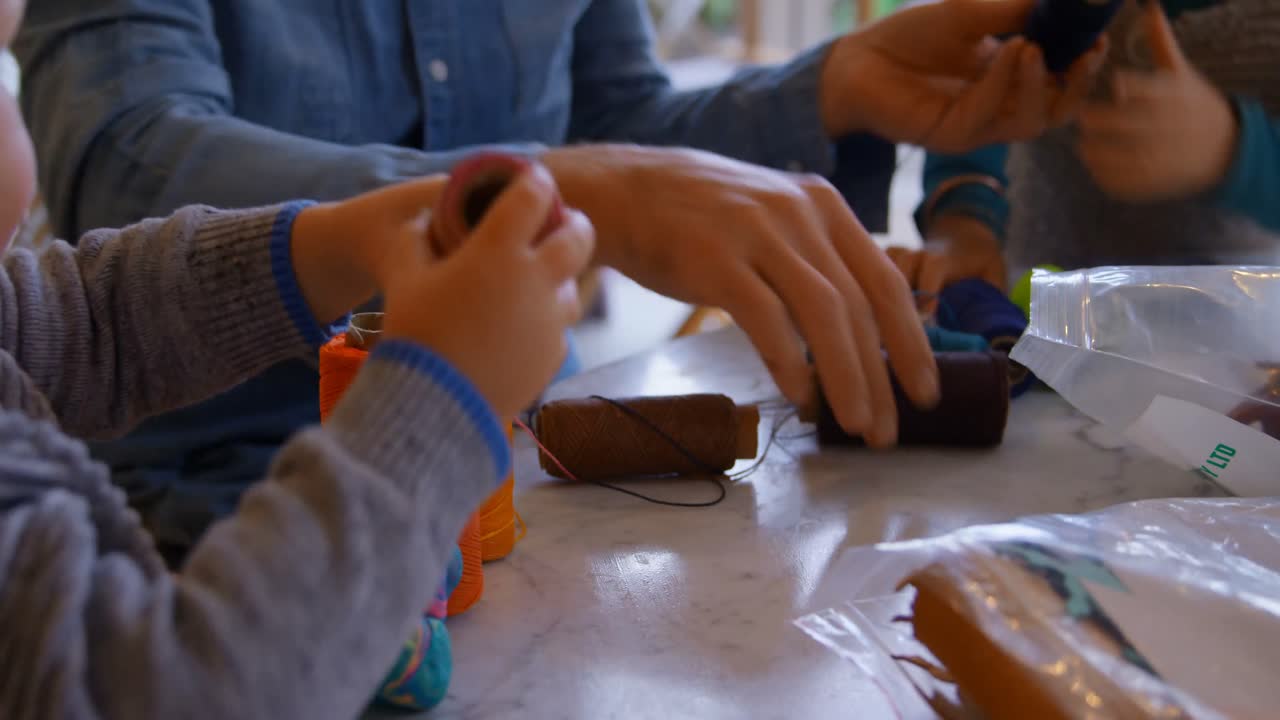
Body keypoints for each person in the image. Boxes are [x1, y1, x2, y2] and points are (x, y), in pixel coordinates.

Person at [13, 0, 1100, 564]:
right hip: (205, 515)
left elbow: (617, 124)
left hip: (525, 478)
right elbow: (128, 167)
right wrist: (544, 191)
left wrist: (830, 91)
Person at [0, 0, 601, 714]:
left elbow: (81, 322)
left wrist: (337, 243)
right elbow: (178, 694)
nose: (22, 142)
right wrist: (439, 405)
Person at [895, 0, 1280, 296]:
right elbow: (976, 87)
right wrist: (966, 221)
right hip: (1037, 297)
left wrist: (1238, 149)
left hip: (1240, 324)